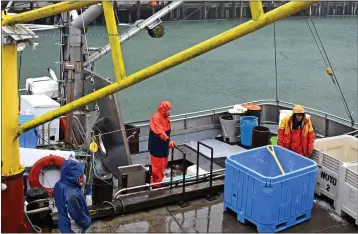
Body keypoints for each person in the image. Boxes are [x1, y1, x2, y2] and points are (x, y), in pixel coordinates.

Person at [54, 159, 91, 233]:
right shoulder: (72, 195)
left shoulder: (59, 184)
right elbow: (78, 216)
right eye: (80, 175)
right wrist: (87, 222)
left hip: (63, 222)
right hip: (72, 228)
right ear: (73, 176)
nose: (82, 177)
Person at [148, 101, 176, 188]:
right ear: (164, 110)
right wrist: (168, 141)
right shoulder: (155, 118)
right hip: (157, 147)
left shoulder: (166, 118)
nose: (169, 112)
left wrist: (168, 142)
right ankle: (156, 186)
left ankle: (160, 181)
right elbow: (160, 132)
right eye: (168, 110)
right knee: (157, 168)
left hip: (164, 146)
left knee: (163, 165)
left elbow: (166, 132)